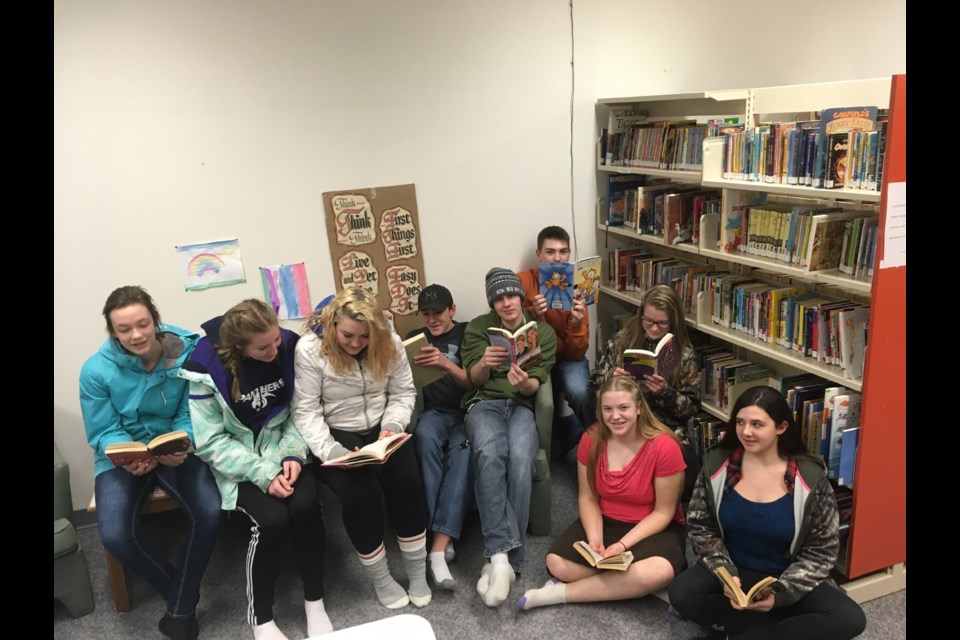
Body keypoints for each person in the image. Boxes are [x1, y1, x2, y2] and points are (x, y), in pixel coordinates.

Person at [181, 299, 332, 640]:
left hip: (285, 450)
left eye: (276, 340)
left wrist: (293, 455)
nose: (274, 349)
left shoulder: (287, 346)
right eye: (264, 347)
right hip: (241, 463)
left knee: (307, 506)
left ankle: (314, 600)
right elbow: (210, 443)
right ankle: (261, 618)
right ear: (239, 347)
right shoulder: (205, 369)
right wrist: (263, 474)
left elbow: (298, 412)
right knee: (272, 521)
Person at [668, 385, 867, 640]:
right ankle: (769, 629)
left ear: (781, 428)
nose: (745, 432)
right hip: (732, 573)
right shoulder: (717, 464)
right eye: (740, 422)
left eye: (757, 425)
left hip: (786, 576)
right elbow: (700, 526)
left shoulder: (809, 477)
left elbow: (822, 551)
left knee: (850, 619)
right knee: (682, 593)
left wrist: (781, 592)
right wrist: (724, 571)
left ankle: (742, 633)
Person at [79, 285, 221, 640]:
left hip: (174, 446)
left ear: (155, 319)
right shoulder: (95, 370)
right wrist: (126, 455)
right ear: (112, 331)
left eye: (142, 324)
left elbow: (196, 407)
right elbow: (103, 429)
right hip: (123, 457)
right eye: (124, 329)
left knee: (209, 511)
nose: (136, 335)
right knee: (114, 535)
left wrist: (183, 441)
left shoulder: (186, 350)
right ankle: (181, 595)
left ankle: (178, 609)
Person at [292, 286, 431, 610]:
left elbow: (402, 392)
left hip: (384, 427)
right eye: (348, 335)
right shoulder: (310, 349)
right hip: (337, 433)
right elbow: (306, 411)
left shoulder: (390, 342)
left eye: (364, 337)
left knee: (408, 483)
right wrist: (332, 452)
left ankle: (417, 573)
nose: (356, 344)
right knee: (361, 495)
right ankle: (382, 580)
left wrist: (393, 426)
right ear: (333, 325)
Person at [518, 376, 687, 611]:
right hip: (605, 520)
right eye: (607, 409)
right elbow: (588, 498)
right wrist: (595, 540)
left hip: (652, 526)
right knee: (556, 562)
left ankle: (560, 593)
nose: (615, 416)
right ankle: (636, 586)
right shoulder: (591, 439)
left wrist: (621, 546)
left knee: (659, 570)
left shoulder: (665, 446)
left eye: (623, 408)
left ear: (639, 408)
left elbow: (663, 512)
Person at [461, 268, 557, 607]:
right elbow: (472, 379)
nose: (506, 303)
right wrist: (485, 364)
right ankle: (505, 560)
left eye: (511, 295)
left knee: (520, 460)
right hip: (483, 404)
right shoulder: (477, 328)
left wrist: (523, 384)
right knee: (489, 453)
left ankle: (501, 563)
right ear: (492, 302)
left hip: (520, 406)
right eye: (499, 298)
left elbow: (536, 383)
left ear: (521, 296)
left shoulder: (542, 332)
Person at [404, 284, 473, 591]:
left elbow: (473, 382)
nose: (433, 320)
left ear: (452, 310)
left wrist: (445, 363)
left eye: (439, 313)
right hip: (433, 413)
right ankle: (438, 538)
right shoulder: (414, 340)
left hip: (466, 411)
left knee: (463, 453)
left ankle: (440, 541)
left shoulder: (468, 333)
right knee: (424, 439)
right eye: (427, 314)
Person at [589, 284, 701, 446]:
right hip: (623, 417)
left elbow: (690, 409)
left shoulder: (685, 354)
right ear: (641, 314)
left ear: (674, 322)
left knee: (673, 450)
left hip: (664, 423)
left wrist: (664, 392)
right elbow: (595, 387)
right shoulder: (619, 342)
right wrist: (612, 379)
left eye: (662, 323)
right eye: (648, 320)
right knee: (598, 442)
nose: (654, 328)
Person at [516, 226, 592, 458]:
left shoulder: (579, 285)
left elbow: (576, 354)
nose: (557, 258)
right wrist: (533, 314)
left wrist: (577, 325)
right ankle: (564, 432)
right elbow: (519, 339)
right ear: (538, 254)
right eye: (550, 252)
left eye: (563, 252)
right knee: (536, 400)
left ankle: (600, 441)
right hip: (537, 356)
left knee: (579, 390)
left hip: (568, 357)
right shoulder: (523, 281)